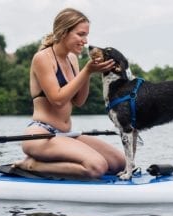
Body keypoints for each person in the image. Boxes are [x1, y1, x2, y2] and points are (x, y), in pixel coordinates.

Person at [13, 8, 125, 179]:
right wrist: (87, 71)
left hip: (65, 134)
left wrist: (89, 73)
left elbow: (79, 101)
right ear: (64, 32)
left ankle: (48, 164)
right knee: (97, 167)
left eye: (86, 35)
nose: (85, 41)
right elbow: (57, 100)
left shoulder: (72, 59)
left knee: (119, 163)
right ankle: (31, 164)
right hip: (41, 135)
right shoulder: (42, 58)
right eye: (80, 34)